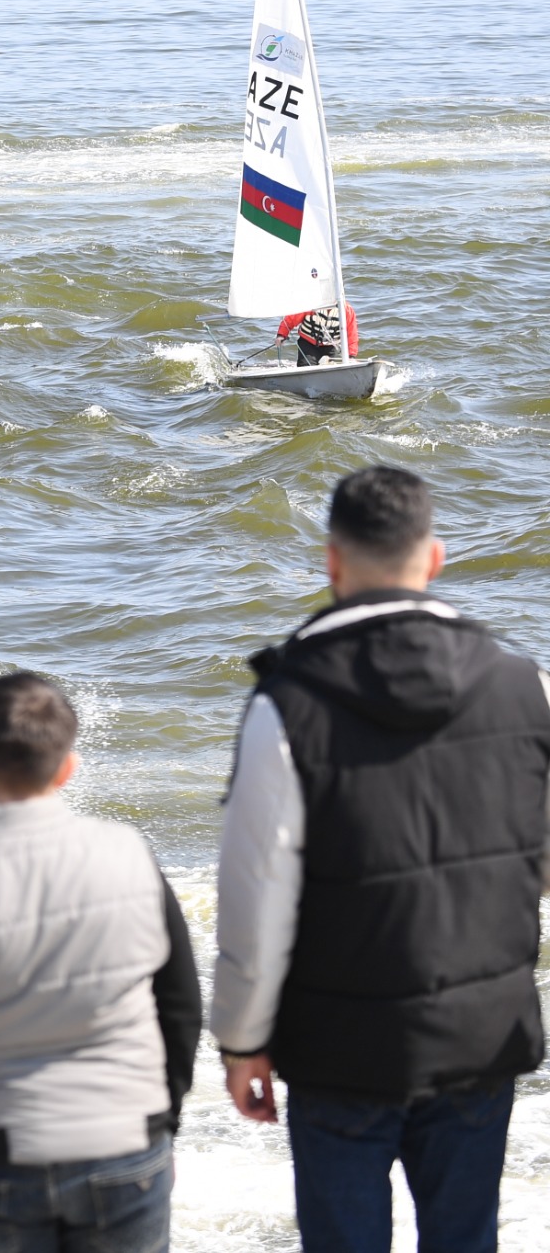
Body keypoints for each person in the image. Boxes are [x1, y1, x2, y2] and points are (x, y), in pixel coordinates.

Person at [213, 466, 550, 1253]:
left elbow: (257, 894)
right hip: (480, 1034)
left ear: (332, 563)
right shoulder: (523, 684)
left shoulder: (286, 703)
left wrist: (241, 1038)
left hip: (338, 1045)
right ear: (434, 559)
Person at [0, 673, 200, 1253]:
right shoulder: (130, 855)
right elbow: (179, 1008)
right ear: (67, 766)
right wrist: (162, 1125)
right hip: (125, 1142)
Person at [275, 302, 354, 367]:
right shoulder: (310, 304)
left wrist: (351, 356)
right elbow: (291, 319)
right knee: (306, 367)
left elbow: (352, 334)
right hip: (308, 344)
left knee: (331, 369)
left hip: (331, 346)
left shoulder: (346, 309)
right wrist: (281, 335)